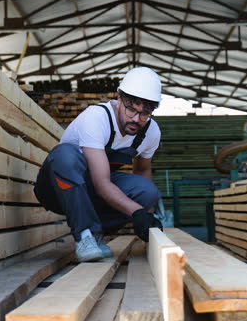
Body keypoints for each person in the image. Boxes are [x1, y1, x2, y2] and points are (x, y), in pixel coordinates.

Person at [34, 67, 163, 262]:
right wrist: (136, 212)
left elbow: (143, 170)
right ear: (119, 98)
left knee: (148, 191)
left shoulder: (151, 132)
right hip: (57, 190)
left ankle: (97, 235)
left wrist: (147, 217)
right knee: (65, 155)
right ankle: (85, 235)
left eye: (144, 113)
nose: (136, 119)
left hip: (90, 191)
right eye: (131, 109)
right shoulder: (97, 118)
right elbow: (102, 183)